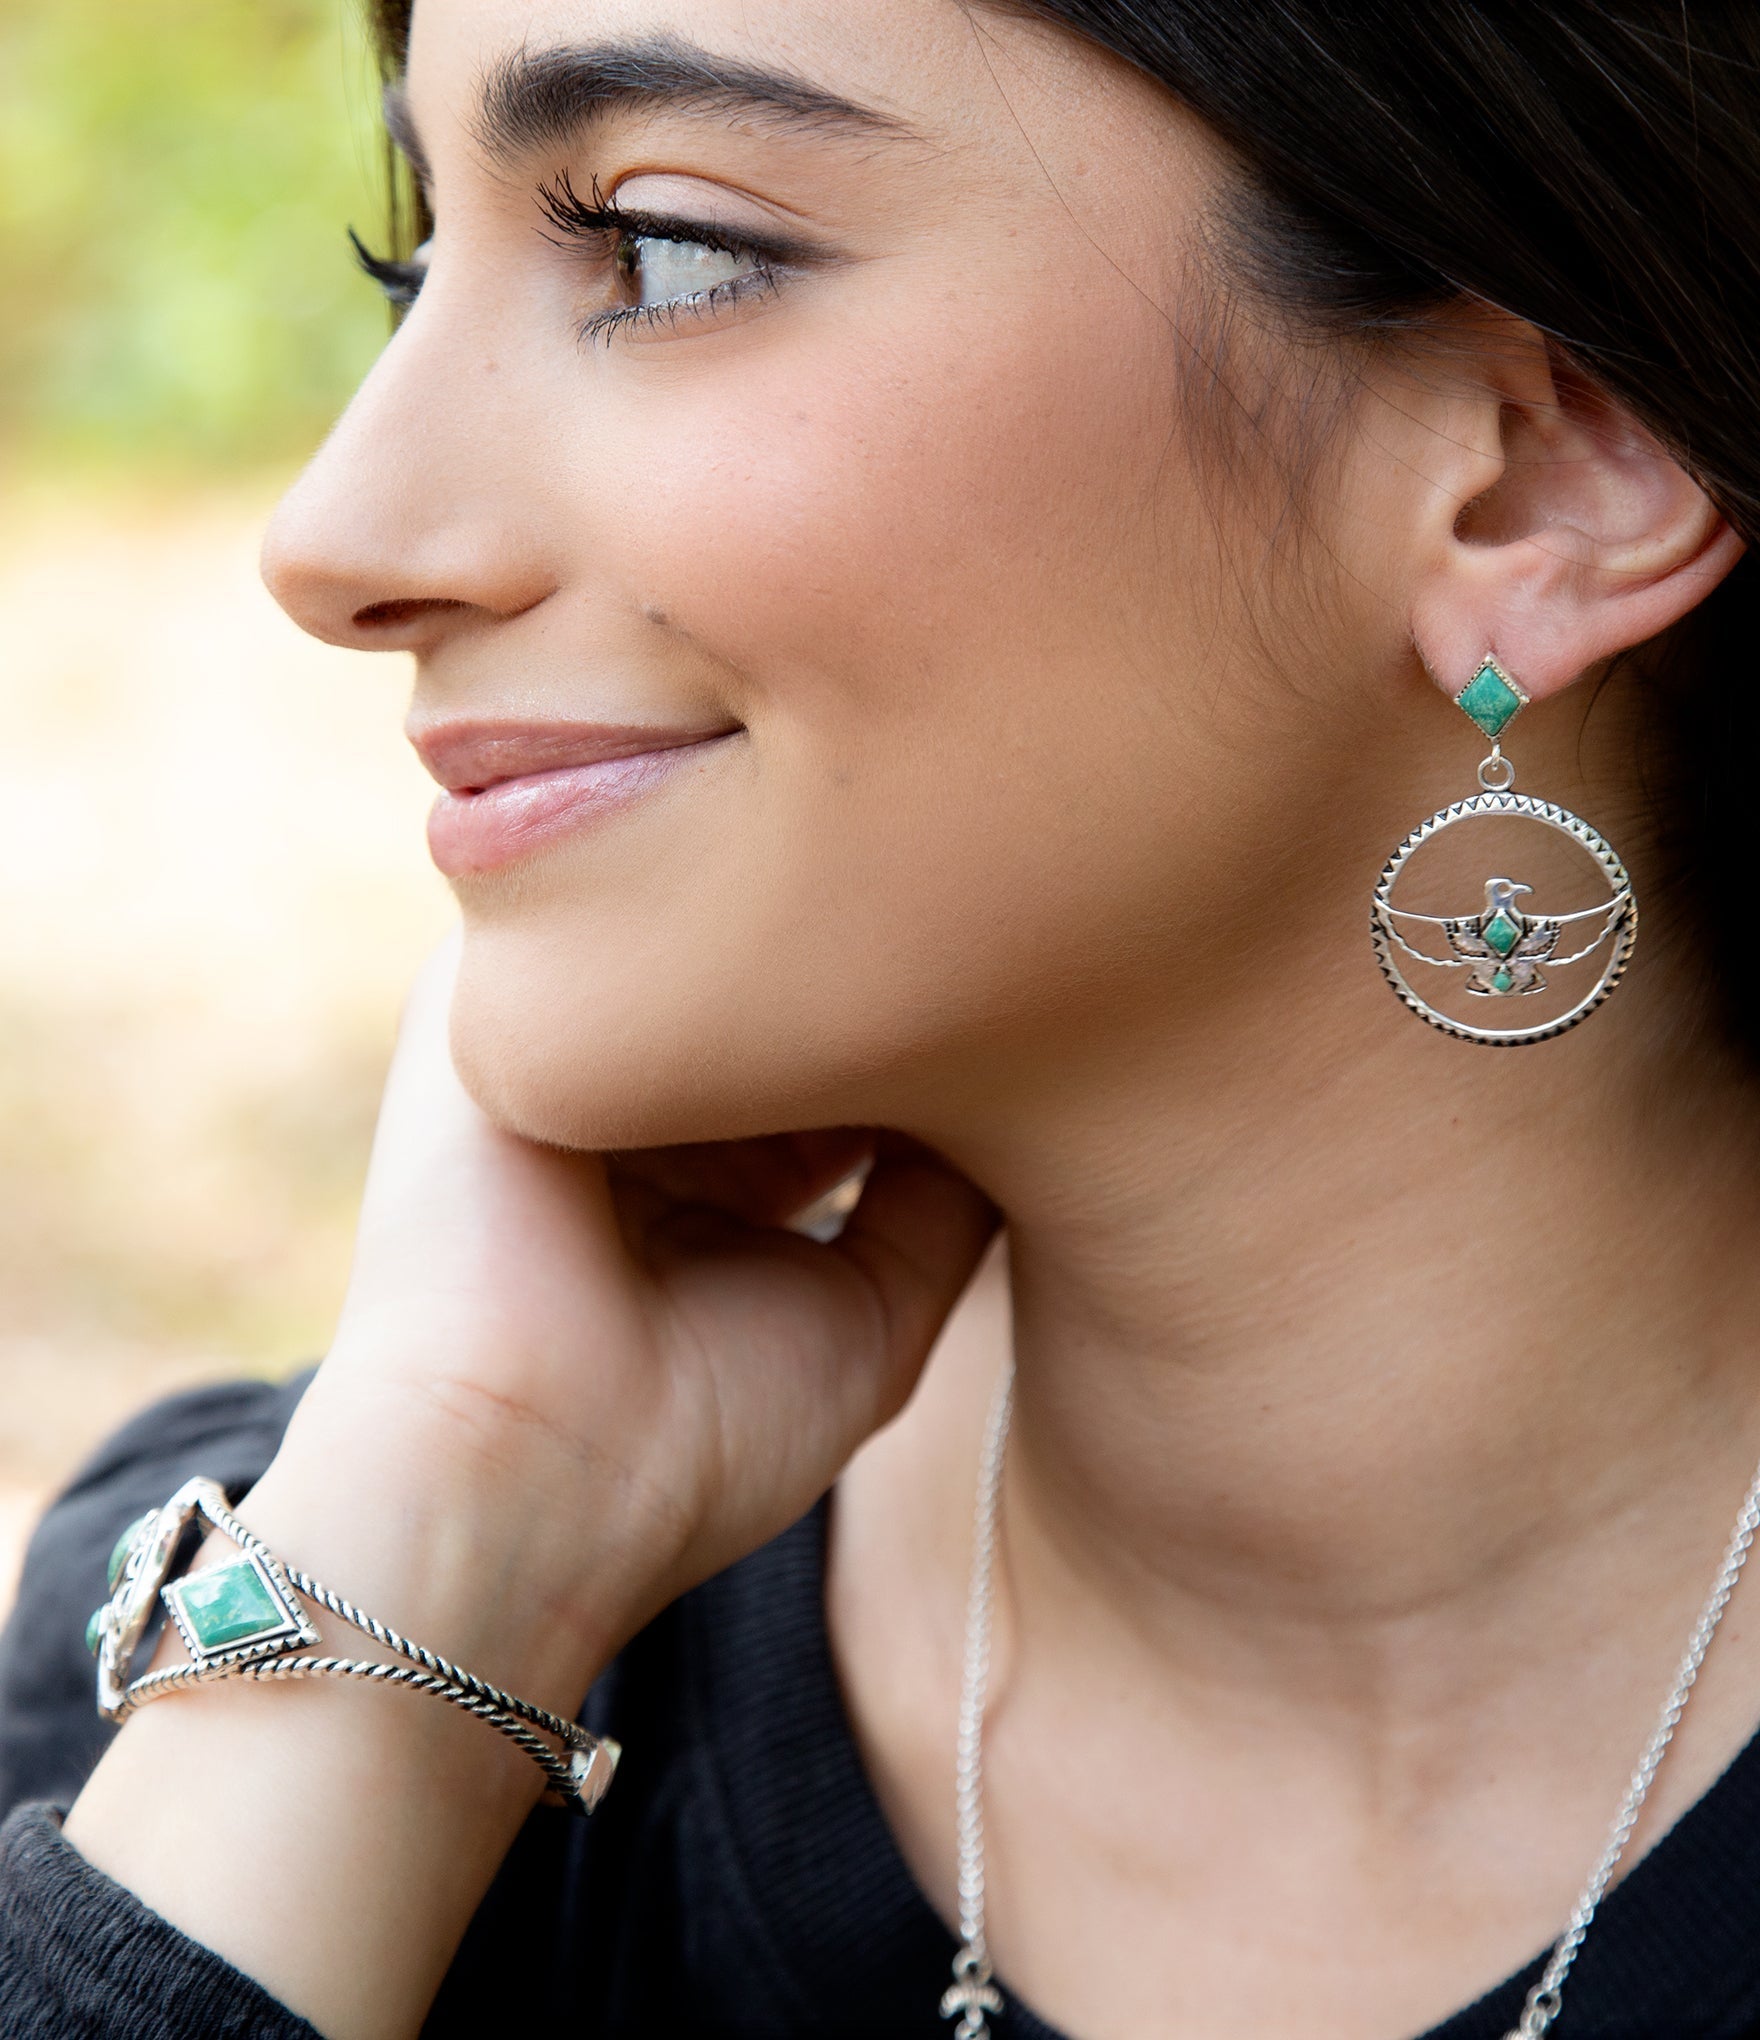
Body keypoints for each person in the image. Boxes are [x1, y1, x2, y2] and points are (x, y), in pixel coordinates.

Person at [6, 2, 1760, 2035]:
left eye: (658, 253)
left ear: (1536, 471)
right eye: (414, 259)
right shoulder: (237, 1676)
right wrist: (425, 1586)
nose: (335, 540)